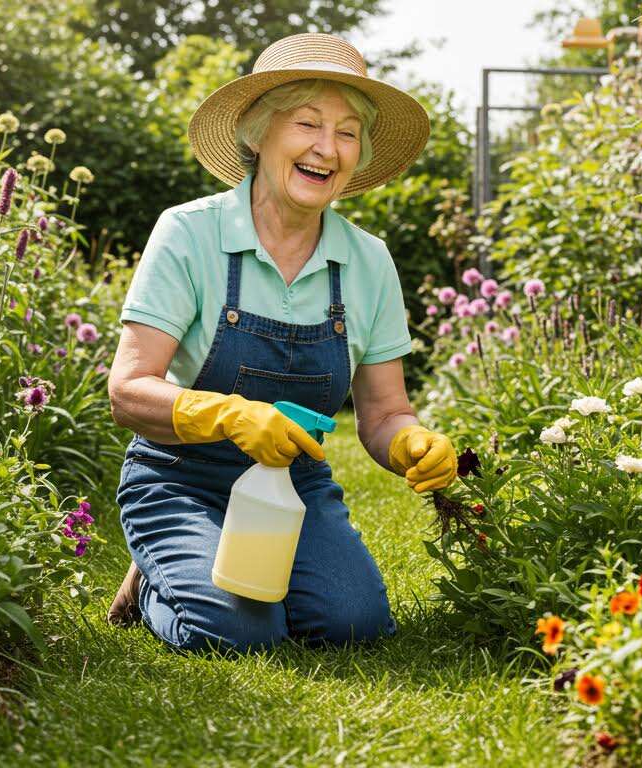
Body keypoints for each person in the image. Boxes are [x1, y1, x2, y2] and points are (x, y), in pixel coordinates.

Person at [106, 32, 457, 652]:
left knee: (354, 624)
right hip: (182, 476)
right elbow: (128, 392)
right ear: (257, 132)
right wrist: (229, 414)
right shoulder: (189, 234)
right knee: (237, 631)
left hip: (292, 486)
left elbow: (382, 411)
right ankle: (157, 578)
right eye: (307, 123)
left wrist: (411, 442)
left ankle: (214, 570)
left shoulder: (368, 261)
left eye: (348, 132)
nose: (327, 149)